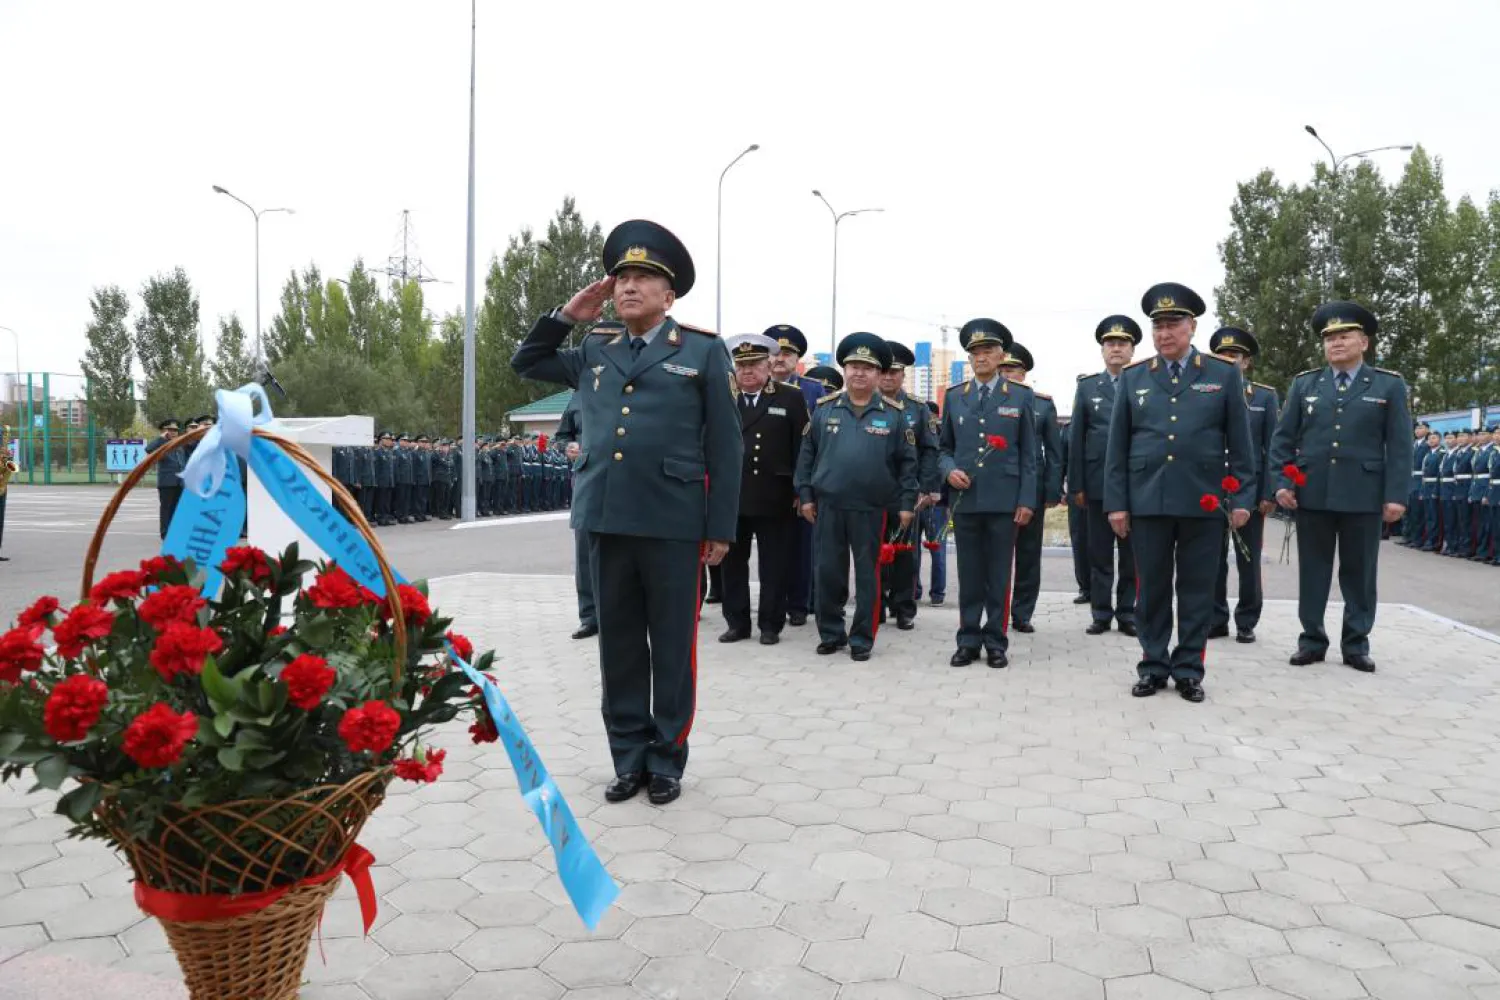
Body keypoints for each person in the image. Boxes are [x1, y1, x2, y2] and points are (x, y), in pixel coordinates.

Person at [511, 219, 740, 806]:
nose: (629, 286)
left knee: (670, 646)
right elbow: (527, 361)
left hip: (674, 521)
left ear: (670, 294)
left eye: (644, 277)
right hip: (606, 519)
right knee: (618, 649)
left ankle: (667, 759)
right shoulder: (594, 346)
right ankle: (628, 758)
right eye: (622, 277)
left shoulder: (702, 350)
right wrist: (569, 313)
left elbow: (725, 446)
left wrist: (719, 528)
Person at [1104, 283, 1255, 703]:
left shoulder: (1223, 374)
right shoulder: (1135, 377)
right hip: (1148, 500)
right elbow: (1117, 447)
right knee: (1150, 588)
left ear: (1191, 327)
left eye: (1173, 324)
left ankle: (1189, 668)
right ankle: (1153, 665)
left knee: (1197, 589)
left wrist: (1241, 498)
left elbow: (1241, 446)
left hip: (1203, 501)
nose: (1165, 333)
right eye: (1158, 326)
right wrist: (1116, 504)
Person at [1269, 301, 1410, 673]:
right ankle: (1312, 640)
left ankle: (1356, 644)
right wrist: (1283, 482)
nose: (1336, 343)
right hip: (1312, 493)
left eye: (1344, 336)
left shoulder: (1388, 385)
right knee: (1313, 572)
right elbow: (1283, 440)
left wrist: (1396, 495)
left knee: (1359, 575)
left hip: (1363, 495)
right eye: (1329, 338)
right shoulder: (1305, 384)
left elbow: (1399, 445)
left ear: (1363, 342)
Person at [794, 333, 918, 662]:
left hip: (871, 509)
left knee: (867, 576)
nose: (858, 373)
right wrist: (805, 495)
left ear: (878, 374)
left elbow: (908, 464)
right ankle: (831, 633)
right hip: (828, 507)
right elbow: (806, 456)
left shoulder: (893, 414)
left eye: (867, 367)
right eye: (853, 366)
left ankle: (862, 638)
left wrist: (907, 504)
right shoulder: (823, 409)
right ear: (844, 370)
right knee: (828, 573)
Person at [938, 319, 1037, 668]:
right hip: (966, 502)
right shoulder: (954, 397)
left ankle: (996, 641)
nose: (981, 358)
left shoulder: (1021, 396)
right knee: (969, 573)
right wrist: (949, 471)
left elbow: (1029, 455)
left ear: (1000, 355)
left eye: (987, 351)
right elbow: (942, 448)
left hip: (1004, 501)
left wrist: (1027, 500)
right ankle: (967, 639)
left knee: (998, 573)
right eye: (975, 353)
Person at [719, 333, 809, 646]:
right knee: (732, 564)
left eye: (755, 364)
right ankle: (737, 623)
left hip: (776, 494)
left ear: (769, 365)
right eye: (741, 364)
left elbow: (803, 449)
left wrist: (803, 491)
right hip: (733, 495)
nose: (747, 370)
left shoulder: (790, 397)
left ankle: (770, 624)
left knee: (774, 565)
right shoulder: (723, 397)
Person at [1069, 316, 1140, 637]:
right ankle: (1100, 612)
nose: (1116, 349)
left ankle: (1127, 613)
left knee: (1131, 555)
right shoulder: (1087, 387)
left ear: (1132, 349)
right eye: (1110, 344)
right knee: (1098, 552)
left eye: (1122, 344)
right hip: (1097, 484)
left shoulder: (1144, 382)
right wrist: (1077, 485)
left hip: (1135, 483)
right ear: (1102, 350)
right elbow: (1076, 440)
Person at [1207, 328, 1280, 644]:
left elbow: (1272, 449)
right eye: (1222, 356)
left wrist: (1267, 492)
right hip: (1210, 491)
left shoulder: (1264, 397)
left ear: (1246, 363)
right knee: (1211, 560)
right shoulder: (1204, 391)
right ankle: (1215, 618)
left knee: (1248, 561)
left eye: (1235, 356)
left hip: (1248, 493)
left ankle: (1247, 620)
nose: (1229, 361)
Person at [877, 340, 941, 630]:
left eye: (894, 372)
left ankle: (904, 608)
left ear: (903, 375)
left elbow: (930, 450)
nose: (888, 377)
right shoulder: (865, 402)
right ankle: (875, 603)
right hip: (870, 491)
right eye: (884, 372)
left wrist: (926, 488)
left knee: (904, 552)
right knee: (872, 551)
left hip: (905, 493)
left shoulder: (917, 408)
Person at [997, 342, 1060, 634]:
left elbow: (1054, 452)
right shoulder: (988, 400)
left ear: (1024, 374)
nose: (1007, 375)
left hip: (1031, 488)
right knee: (995, 553)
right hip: (996, 486)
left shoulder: (1042, 404)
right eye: (1003, 370)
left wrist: (1051, 491)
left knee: (1028, 553)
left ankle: (1022, 613)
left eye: (1013, 370)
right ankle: (995, 608)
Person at [767, 324, 824, 627]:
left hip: (802, 482)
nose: (779, 359)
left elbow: (820, 439)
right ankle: (771, 605)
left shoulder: (814, 390)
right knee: (771, 548)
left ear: (797, 358)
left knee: (802, 548)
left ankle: (799, 605)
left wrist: (808, 487)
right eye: (774, 352)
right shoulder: (752, 385)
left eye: (786, 353)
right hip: (764, 482)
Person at [554, 390, 597, 638]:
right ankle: (590, 616)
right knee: (585, 551)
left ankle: (620, 613)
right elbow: (561, 436)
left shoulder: (627, 385)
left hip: (623, 482)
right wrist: (567, 446)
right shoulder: (578, 396)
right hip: (586, 481)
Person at [914, 400, 949, 607]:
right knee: (912, 550)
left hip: (939, 502)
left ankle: (937, 593)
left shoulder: (944, 437)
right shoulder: (918, 437)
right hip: (918, 499)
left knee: (938, 549)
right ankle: (915, 590)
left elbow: (945, 469)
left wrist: (936, 495)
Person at [1059, 428, 1090, 605]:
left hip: (1106, 490)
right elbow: (1062, 460)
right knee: (1080, 540)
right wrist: (1059, 490)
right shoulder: (1069, 430)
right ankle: (1085, 588)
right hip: (1076, 492)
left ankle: (1106, 592)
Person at [145, 417, 187, 540]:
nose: (173, 432)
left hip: (179, 482)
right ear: (164, 431)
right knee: (166, 508)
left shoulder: (180, 444)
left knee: (176, 508)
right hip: (167, 482)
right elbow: (148, 449)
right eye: (170, 430)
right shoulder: (160, 444)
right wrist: (161, 438)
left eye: (175, 430)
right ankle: (165, 532)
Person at [1400, 422, 1430, 546]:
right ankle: (1408, 536)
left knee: (1417, 512)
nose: (1418, 430)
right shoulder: (1413, 444)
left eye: (1421, 428)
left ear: (1427, 430)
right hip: (1410, 479)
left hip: (1419, 479)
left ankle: (1418, 539)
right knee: (1409, 511)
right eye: (1416, 428)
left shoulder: (1427, 445)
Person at [1465, 427, 1492, 560]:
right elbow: (1474, 475)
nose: (1480, 437)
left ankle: (1486, 552)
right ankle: (1479, 550)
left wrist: (1487, 494)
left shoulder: (1492, 451)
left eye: (1483, 434)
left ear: (1490, 436)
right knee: (1478, 523)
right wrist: (1471, 492)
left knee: (1486, 523)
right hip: (1476, 489)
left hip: (1486, 490)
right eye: (1479, 434)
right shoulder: (1479, 452)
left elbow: (1491, 476)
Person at [1420, 430, 1445, 552]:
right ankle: (1429, 539)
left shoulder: (1441, 453)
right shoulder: (1428, 453)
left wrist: (1436, 490)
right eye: (1430, 438)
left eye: (1434, 438)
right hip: (1427, 487)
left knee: (1435, 516)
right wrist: (1422, 490)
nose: (1431, 440)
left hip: (1435, 485)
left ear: (1439, 440)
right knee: (1428, 515)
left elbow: (1440, 474)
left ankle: (1435, 541)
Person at [0, 429, 16, 561]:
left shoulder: (2, 431)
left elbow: (12, 467)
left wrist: (8, 457)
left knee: (0, 520)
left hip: (1, 486)